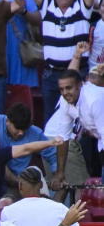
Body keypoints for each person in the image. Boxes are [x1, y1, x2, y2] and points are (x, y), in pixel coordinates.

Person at [44, 70, 104, 203]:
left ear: (79, 85)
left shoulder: (93, 99)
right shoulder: (65, 101)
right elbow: (63, 138)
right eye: (62, 89)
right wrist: (60, 173)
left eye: (69, 88)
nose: (65, 93)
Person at [0, 104, 64, 189]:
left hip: (16, 184)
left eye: (25, 129)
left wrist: (57, 174)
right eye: (17, 128)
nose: (21, 133)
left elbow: (52, 155)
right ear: (8, 121)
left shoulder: (35, 133)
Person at [38, 0, 94, 124]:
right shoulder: (46, 4)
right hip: (51, 74)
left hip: (79, 73)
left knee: (82, 119)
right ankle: (52, 145)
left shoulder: (82, 5)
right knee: (51, 120)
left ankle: (80, 145)